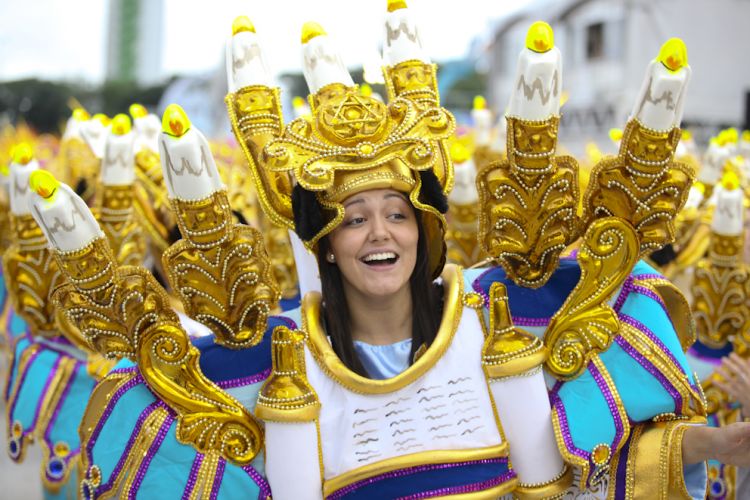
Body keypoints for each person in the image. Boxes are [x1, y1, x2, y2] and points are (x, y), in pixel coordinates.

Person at [33, 3, 750, 500]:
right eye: (354, 219)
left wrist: (718, 448)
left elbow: (587, 479)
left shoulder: (495, 327)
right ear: (327, 246)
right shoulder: (285, 365)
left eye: (397, 214)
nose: (380, 233)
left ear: (423, 231)